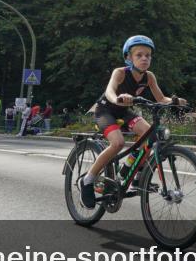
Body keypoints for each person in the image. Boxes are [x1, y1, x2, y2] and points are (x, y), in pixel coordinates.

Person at [79, 35, 186, 209]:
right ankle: (88, 179)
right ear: (129, 57)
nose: (144, 58)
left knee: (150, 134)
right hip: (106, 110)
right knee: (118, 143)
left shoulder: (149, 77)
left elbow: (160, 98)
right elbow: (109, 92)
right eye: (139, 55)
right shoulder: (120, 73)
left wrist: (176, 101)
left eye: (148, 55)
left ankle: (135, 175)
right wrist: (119, 97)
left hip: (124, 111)